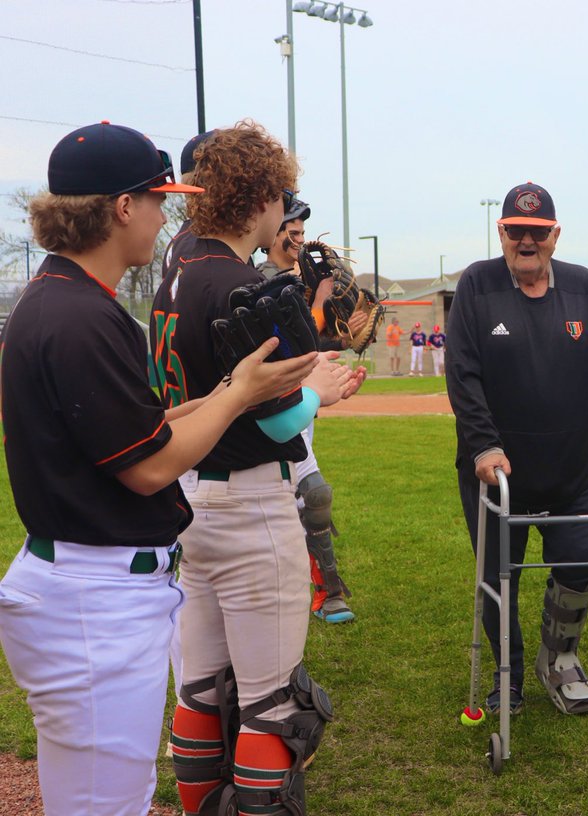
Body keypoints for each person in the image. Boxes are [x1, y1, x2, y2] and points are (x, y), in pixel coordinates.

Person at [0, 122, 317, 816]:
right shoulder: (80, 315)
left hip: (92, 582)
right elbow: (147, 467)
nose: (162, 214)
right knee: (107, 803)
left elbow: (136, 430)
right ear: (120, 207)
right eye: (154, 199)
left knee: (110, 786)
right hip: (94, 598)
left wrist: (211, 400)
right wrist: (240, 393)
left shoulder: (61, 300)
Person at [153, 121, 361, 816]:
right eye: (284, 194)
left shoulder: (175, 270)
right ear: (263, 195)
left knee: (202, 690)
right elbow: (275, 420)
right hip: (250, 504)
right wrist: (319, 393)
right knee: (275, 705)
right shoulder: (244, 284)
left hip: (189, 495)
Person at [446, 182, 588, 716]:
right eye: (516, 231)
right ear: (501, 232)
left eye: (538, 232)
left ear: (554, 235)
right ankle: (509, 677)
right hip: (495, 471)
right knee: (499, 576)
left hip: (569, 467)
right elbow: (463, 376)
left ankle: (559, 656)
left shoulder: (585, 289)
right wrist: (482, 446)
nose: (527, 241)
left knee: (583, 557)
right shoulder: (476, 286)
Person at [258, 197, 360, 626]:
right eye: (292, 233)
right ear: (270, 234)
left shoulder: (296, 280)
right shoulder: (262, 281)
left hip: (298, 404)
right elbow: (287, 345)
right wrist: (317, 303)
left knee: (306, 499)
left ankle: (318, 589)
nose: (300, 241)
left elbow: (312, 346)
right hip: (270, 411)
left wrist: (342, 339)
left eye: (302, 233)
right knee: (310, 496)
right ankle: (324, 591)